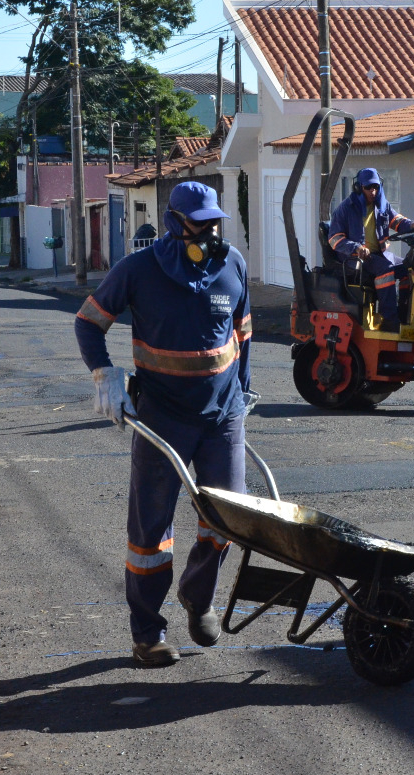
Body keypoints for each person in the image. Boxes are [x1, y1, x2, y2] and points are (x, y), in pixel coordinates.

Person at [74, 181, 255, 668]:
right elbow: (89, 321)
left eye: (216, 221)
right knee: (150, 533)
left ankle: (198, 598)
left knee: (227, 518)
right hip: (161, 417)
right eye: (201, 222)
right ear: (176, 223)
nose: (212, 230)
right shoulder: (138, 270)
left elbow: (243, 332)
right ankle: (147, 634)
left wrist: (246, 387)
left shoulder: (231, 264)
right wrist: (104, 373)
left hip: (223, 416)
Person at [327, 168, 414, 331]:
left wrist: (412, 224)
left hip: (379, 255)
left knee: (410, 267)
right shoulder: (345, 209)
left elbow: (397, 221)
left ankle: (402, 314)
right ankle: (389, 320)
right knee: (385, 270)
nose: (373, 192)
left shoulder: (382, 206)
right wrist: (356, 248)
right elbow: (334, 239)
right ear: (358, 188)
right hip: (356, 259)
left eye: (376, 187)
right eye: (368, 188)